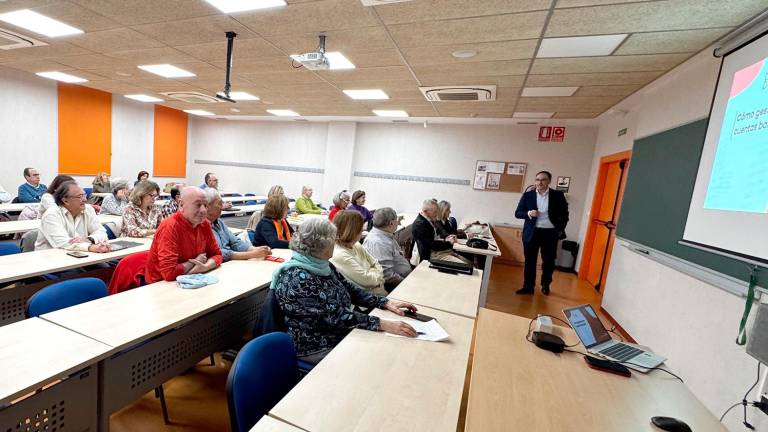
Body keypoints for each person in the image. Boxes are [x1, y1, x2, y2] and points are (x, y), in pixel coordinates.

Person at [272, 218, 418, 365]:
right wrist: (382, 323)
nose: (335, 243)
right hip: (317, 345)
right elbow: (335, 317)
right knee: (378, 358)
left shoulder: (321, 264)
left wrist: (384, 302)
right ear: (321, 245)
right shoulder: (298, 278)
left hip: (339, 332)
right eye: (333, 239)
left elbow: (349, 288)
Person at [144, 187, 222, 283]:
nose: (203, 210)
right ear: (181, 205)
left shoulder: (205, 223)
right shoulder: (170, 226)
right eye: (198, 205)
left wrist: (204, 267)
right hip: (160, 284)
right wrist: (194, 262)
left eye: (205, 205)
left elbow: (217, 255)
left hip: (191, 277)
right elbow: (169, 273)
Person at [514, 170, 569, 296]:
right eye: (538, 179)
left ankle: (545, 285)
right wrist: (529, 213)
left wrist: (559, 228)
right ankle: (528, 287)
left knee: (549, 261)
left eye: (543, 179)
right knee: (529, 261)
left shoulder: (558, 195)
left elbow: (565, 215)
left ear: (549, 181)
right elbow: (517, 213)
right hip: (532, 232)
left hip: (550, 233)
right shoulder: (528, 196)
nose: (540, 182)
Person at [35, 180, 111, 253]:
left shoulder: (88, 209)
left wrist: (88, 239)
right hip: (52, 259)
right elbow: (63, 243)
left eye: (84, 195)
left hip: (82, 255)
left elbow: (102, 232)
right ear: (65, 201)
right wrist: (90, 247)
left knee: (113, 264)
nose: (85, 199)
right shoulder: (51, 215)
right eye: (80, 196)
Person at [205, 188, 271, 262]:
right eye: (219, 203)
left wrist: (255, 249)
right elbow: (220, 253)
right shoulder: (202, 226)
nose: (222, 207)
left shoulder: (219, 222)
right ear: (208, 206)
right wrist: (252, 254)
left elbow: (235, 242)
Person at [330, 210, 386, 296]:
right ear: (352, 231)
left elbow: (376, 263)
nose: (363, 230)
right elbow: (368, 281)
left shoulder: (356, 244)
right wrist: (375, 272)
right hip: (367, 302)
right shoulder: (340, 254)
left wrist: (373, 273)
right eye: (361, 228)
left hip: (378, 292)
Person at [363, 207, 412, 290]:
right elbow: (386, 275)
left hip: (402, 279)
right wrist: (407, 283)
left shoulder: (384, 235)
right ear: (391, 223)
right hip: (394, 287)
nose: (398, 222)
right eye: (397, 219)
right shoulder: (379, 243)